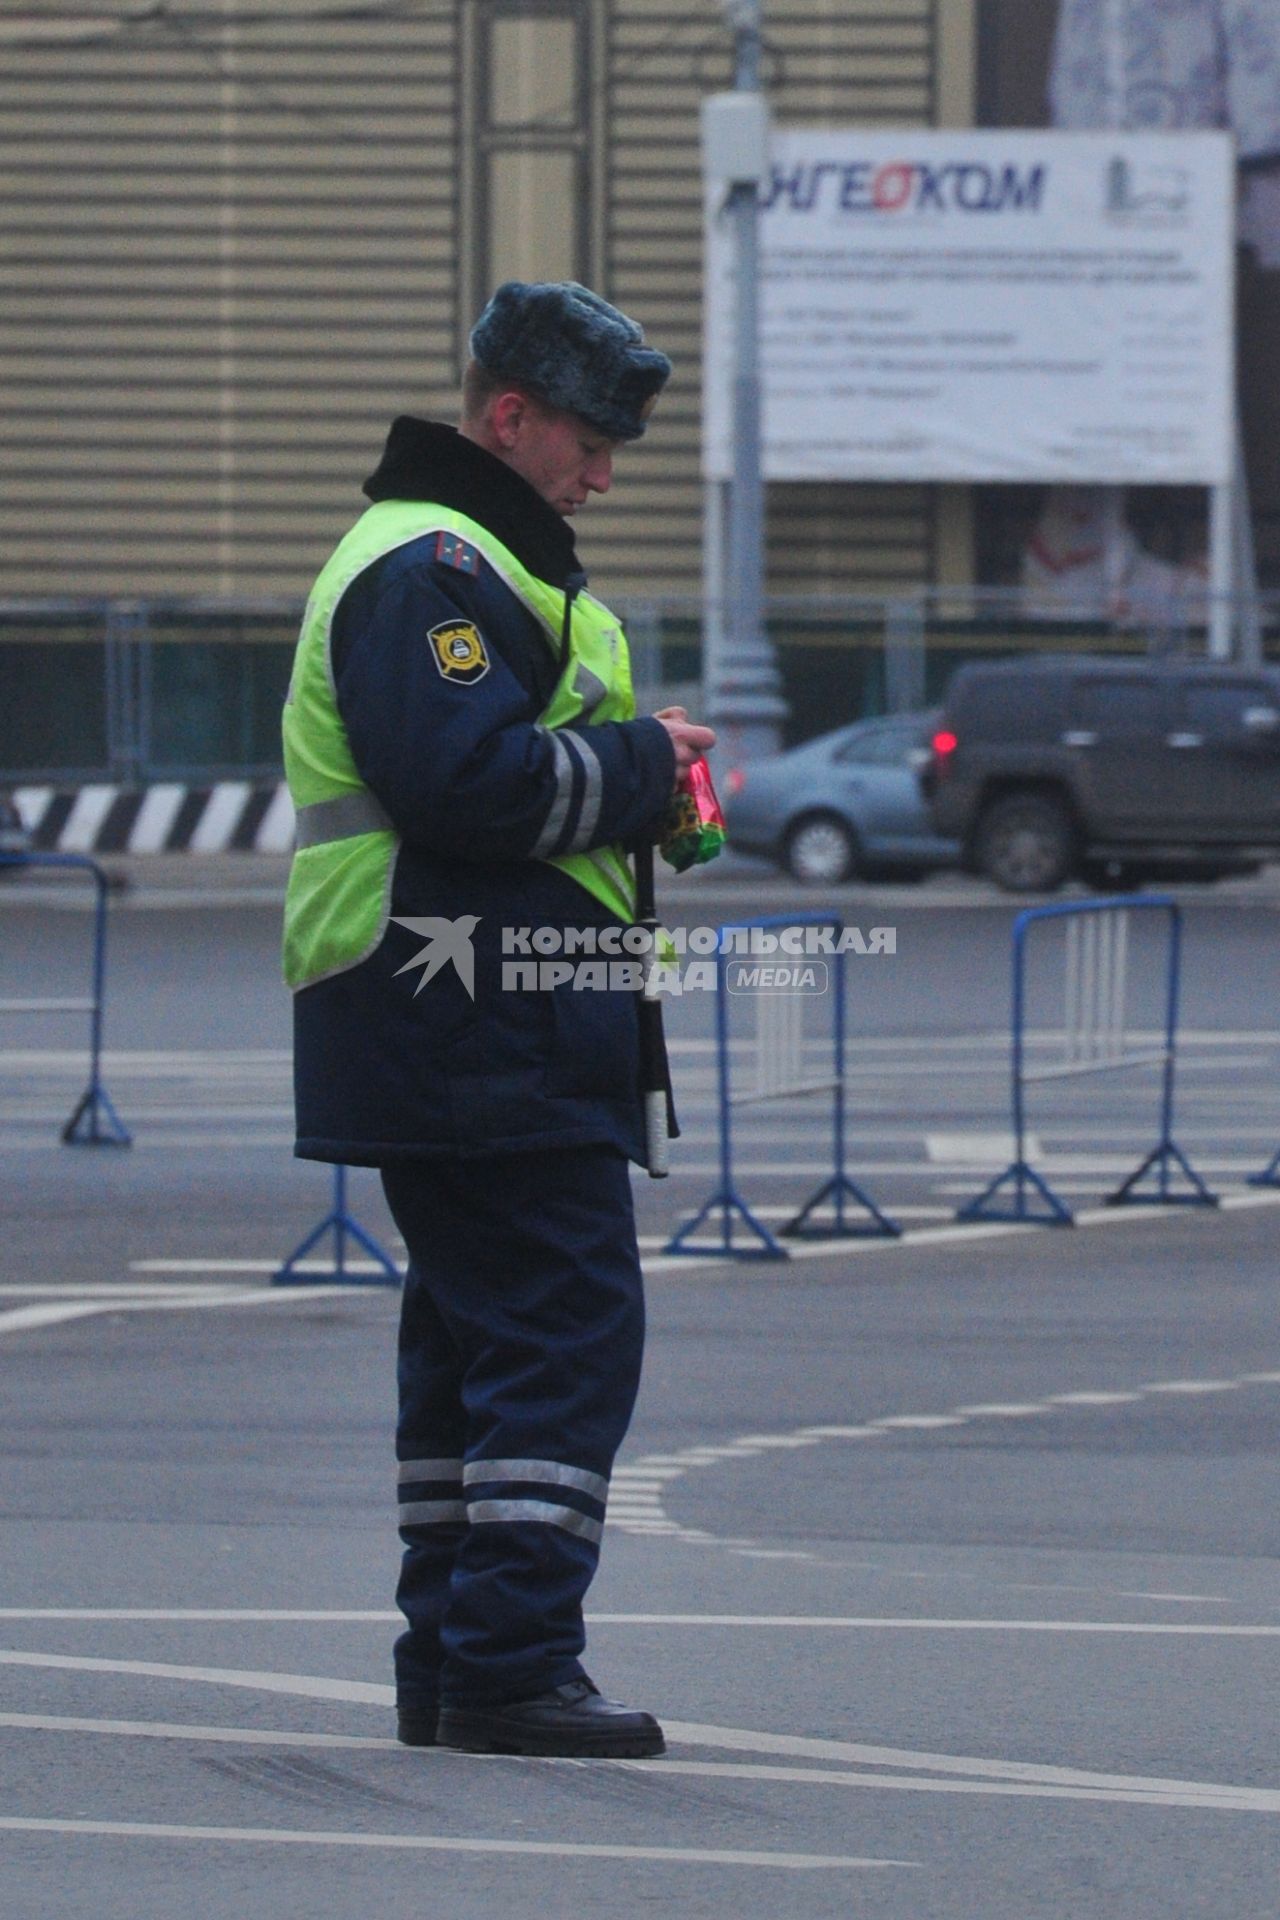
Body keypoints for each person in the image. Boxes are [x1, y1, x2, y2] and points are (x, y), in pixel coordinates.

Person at [280, 281, 714, 1759]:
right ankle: (508, 1665)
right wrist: (645, 768)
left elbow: (504, 776)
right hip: (466, 1016)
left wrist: (645, 781)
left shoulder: (482, 563)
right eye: (589, 442)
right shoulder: (432, 567)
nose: (604, 474)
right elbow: (463, 786)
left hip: (466, 1015)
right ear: (507, 416)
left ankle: (456, 1662)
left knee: (474, 1349)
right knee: (565, 1334)